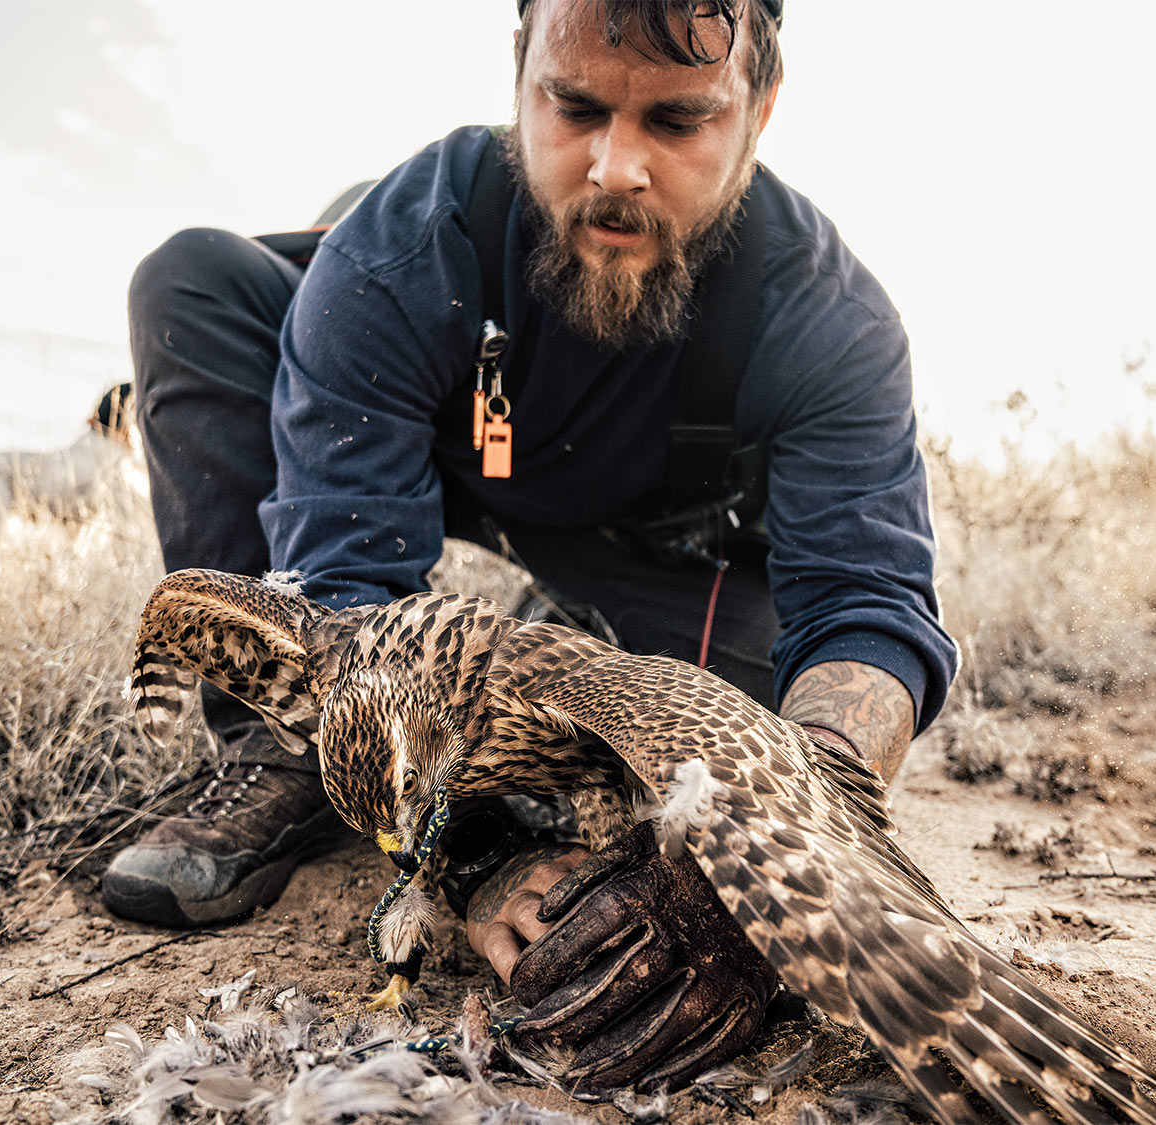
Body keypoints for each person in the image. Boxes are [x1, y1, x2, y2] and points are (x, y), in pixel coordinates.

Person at [105, 0, 957, 1093]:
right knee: (194, 276)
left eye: (680, 121)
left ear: (760, 111)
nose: (616, 168)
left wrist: (783, 840)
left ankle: (568, 672)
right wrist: (479, 851)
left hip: (658, 552)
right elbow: (345, 595)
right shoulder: (405, 242)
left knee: (716, 754)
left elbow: (868, 607)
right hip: (452, 475)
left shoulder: (828, 318)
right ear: (519, 75)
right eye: (577, 106)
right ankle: (286, 760)